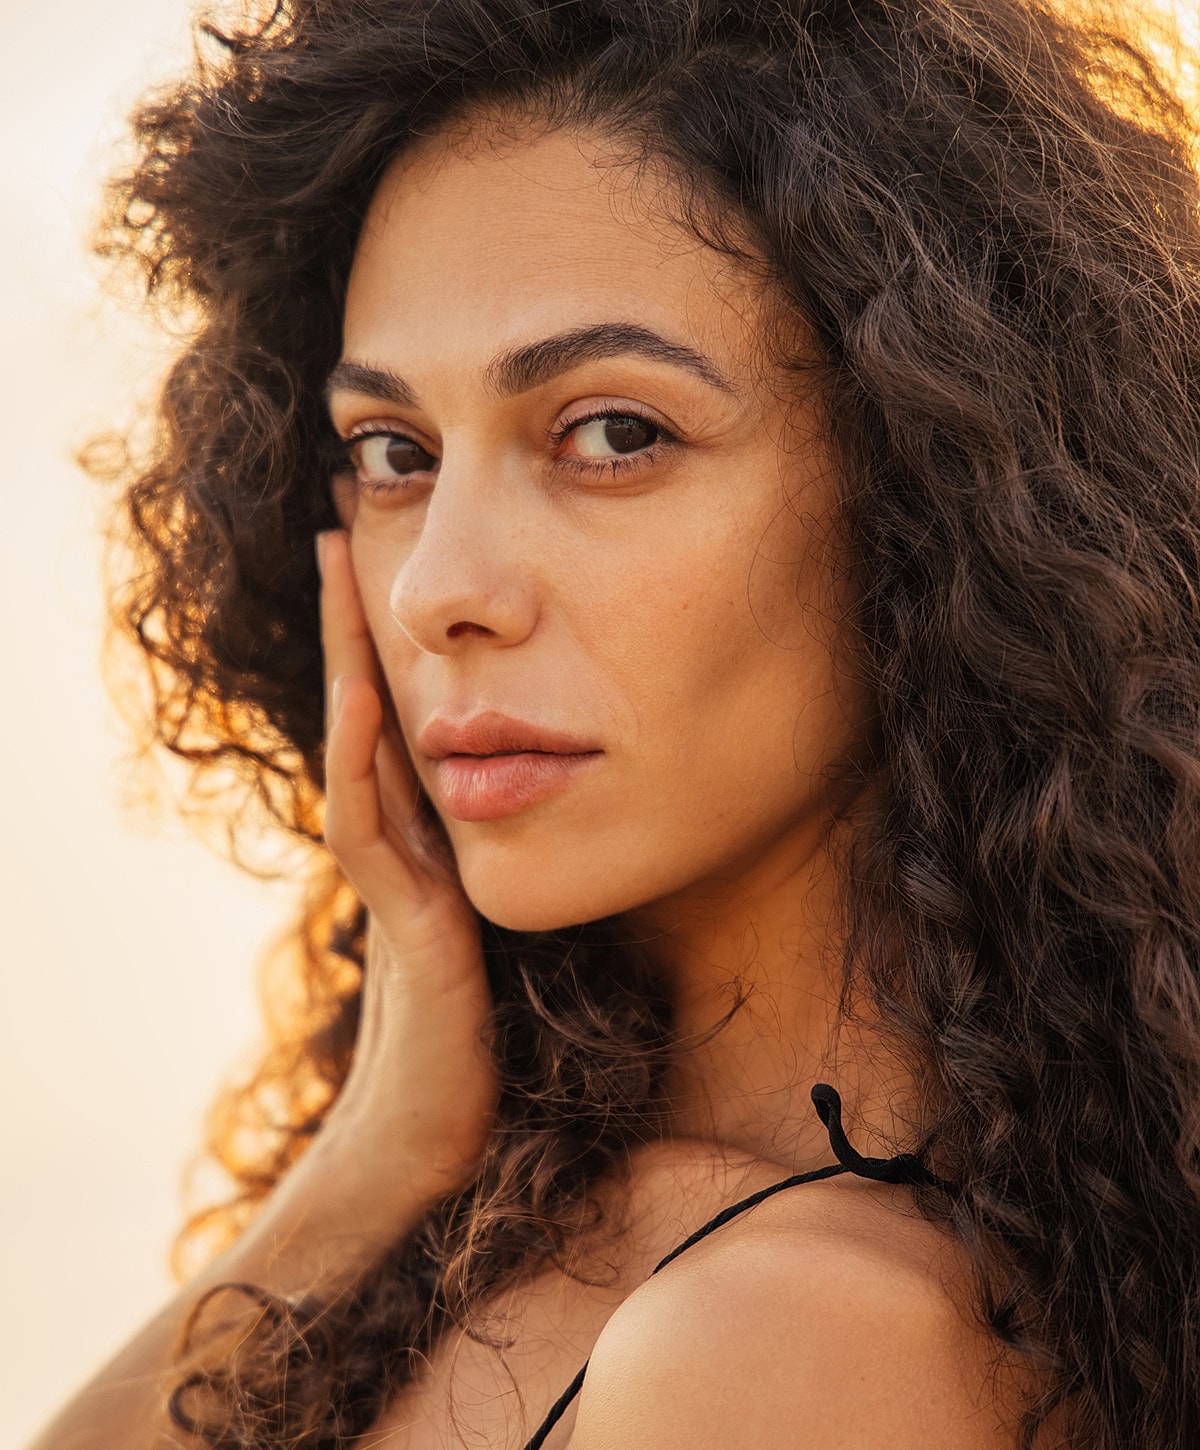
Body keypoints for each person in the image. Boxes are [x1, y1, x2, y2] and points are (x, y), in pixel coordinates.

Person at [31, 0, 1200, 1445]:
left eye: (613, 434)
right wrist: (379, 1152)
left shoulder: (779, 1347)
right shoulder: (513, 1199)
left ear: (929, 490)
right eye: (392, 452)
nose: (438, 589)